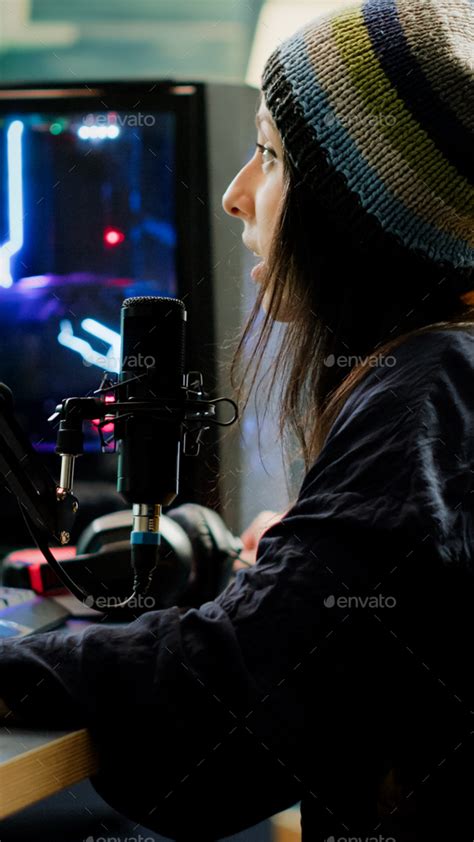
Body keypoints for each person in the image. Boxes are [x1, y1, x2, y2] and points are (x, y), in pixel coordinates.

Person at [1, 0, 473, 839]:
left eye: (270, 155)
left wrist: (19, 660)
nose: (233, 195)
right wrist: (295, 565)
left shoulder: (430, 387)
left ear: (362, 215)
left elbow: (227, 702)